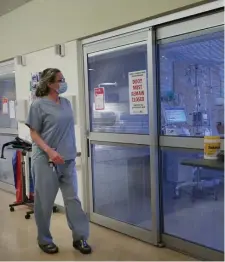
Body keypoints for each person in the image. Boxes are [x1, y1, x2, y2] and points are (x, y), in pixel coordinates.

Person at [25, 68, 92, 255]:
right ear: (49, 83)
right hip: (46, 160)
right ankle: (44, 239)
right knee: (44, 203)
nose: (63, 83)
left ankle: (80, 238)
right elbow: (33, 133)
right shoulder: (38, 105)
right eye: (60, 80)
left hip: (67, 159)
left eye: (63, 79)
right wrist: (49, 151)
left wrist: (72, 149)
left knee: (73, 201)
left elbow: (67, 129)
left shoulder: (66, 103)